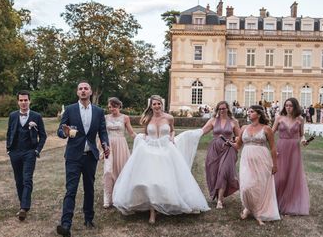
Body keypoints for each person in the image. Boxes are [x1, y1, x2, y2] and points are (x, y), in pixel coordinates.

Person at [112, 95, 209, 224]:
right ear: (151, 106)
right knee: (150, 180)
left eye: (158, 104)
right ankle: (152, 209)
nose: (156, 106)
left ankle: (168, 202)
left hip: (166, 149)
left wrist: (172, 137)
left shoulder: (169, 117)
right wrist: (145, 140)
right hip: (150, 149)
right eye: (154, 104)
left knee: (166, 179)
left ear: (161, 105)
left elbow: (172, 131)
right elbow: (146, 133)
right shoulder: (147, 119)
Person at [56, 81, 109, 237]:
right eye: (80, 89)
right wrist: (64, 133)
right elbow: (60, 130)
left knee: (89, 189)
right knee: (71, 190)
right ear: (77, 92)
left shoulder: (99, 111)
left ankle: (89, 218)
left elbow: (103, 132)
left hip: (90, 157)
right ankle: (66, 224)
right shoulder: (70, 110)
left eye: (86, 88)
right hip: (73, 156)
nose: (83, 91)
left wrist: (105, 144)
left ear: (91, 92)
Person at [233, 105, 280, 225]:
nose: (248, 113)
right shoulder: (244, 128)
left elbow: (273, 148)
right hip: (246, 160)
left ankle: (258, 211)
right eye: (248, 112)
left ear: (258, 114)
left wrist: (275, 164)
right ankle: (248, 207)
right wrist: (229, 144)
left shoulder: (266, 129)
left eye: (251, 112)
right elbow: (238, 145)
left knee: (259, 186)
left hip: (262, 159)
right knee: (246, 186)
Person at [6, 91, 47, 221]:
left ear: (30, 101)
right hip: (15, 152)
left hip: (30, 151)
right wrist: (8, 149)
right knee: (18, 180)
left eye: (26, 100)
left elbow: (43, 135)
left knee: (27, 179)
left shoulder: (37, 116)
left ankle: (24, 207)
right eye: (21, 100)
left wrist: (37, 150)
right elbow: (9, 133)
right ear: (18, 102)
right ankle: (22, 204)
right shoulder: (12, 116)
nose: (23, 103)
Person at [272, 97, 310, 216]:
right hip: (281, 147)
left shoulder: (300, 119)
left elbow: (302, 135)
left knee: (292, 176)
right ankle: (275, 202)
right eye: (286, 105)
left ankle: (289, 203)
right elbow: (271, 133)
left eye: (290, 106)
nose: (288, 108)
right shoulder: (279, 118)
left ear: (295, 107)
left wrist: (304, 141)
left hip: (294, 149)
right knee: (280, 176)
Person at [201, 100, 240, 209]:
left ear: (227, 109)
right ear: (217, 110)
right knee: (214, 172)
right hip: (214, 149)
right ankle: (218, 194)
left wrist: (233, 140)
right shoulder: (213, 120)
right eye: (220, 108)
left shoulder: (233, 121)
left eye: (224, 108)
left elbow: (239, 137)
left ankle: (219, 200)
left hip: (228, 149)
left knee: (223, 172)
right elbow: (203, 131)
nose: (222, 110)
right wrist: (191, 136)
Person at [103, 97, 136, 208]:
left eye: (113, 106)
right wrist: (101, 148)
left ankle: (120, 195)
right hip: (109, 146)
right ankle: (107, 198)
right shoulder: (105, 118)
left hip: (121, 145)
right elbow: (101, 134)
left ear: (118, 106)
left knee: (121, 170)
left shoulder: (125, 118)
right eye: (109, 107)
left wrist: (141, 139)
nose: (111, 109)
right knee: (108, 171)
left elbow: (131, 133)